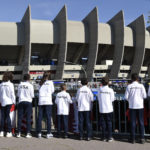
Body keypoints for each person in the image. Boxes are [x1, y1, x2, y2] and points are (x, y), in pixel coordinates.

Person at [125, 73, 147, 144]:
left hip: (132, 106)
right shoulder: (141, 86)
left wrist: (130, 100)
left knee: (133, 122)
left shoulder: (129, 86)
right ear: (138, 79)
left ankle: (133, 139)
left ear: (131, 79)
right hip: (140, 106)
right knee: (141, 122)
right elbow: (145, 96)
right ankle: (142, 138)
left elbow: (126, 97)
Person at [37, 71, 54, 138]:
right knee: (48, 117)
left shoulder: (40, 82)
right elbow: (52, 91)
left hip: (41, 101)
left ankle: (39, 133)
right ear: (49, 76)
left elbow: (38, 90)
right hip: (48, 101)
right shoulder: (50, 82)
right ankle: (48, 133)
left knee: (40, 117)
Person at [16, 74, 34, 138]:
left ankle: (18, 133)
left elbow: (18, 94)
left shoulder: (20, 85)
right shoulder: (30, 85)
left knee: (20, 118)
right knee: (28, 118)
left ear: (24, 78)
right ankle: (28, 133)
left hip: (21, 101)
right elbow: (32, 95)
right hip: (28, 102)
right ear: (29, 79)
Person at [97, 77, 115, 142]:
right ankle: (109, 137)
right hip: (109, 109)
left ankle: (103, 137)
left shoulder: (99, 90)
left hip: (102, 109)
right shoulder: (110, 90)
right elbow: (112, 99)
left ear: (102, 83)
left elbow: (98, 98)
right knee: (109, 123)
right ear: (108, 82)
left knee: (103, 123)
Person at [0, 72, 16, 137]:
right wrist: (14, 102)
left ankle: (1, 131)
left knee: (2, 117)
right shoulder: (10, 84)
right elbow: (12, 94)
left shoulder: (1, 84)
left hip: (2, 101)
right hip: (9, 102)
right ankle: (9, 132)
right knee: (8, 116)